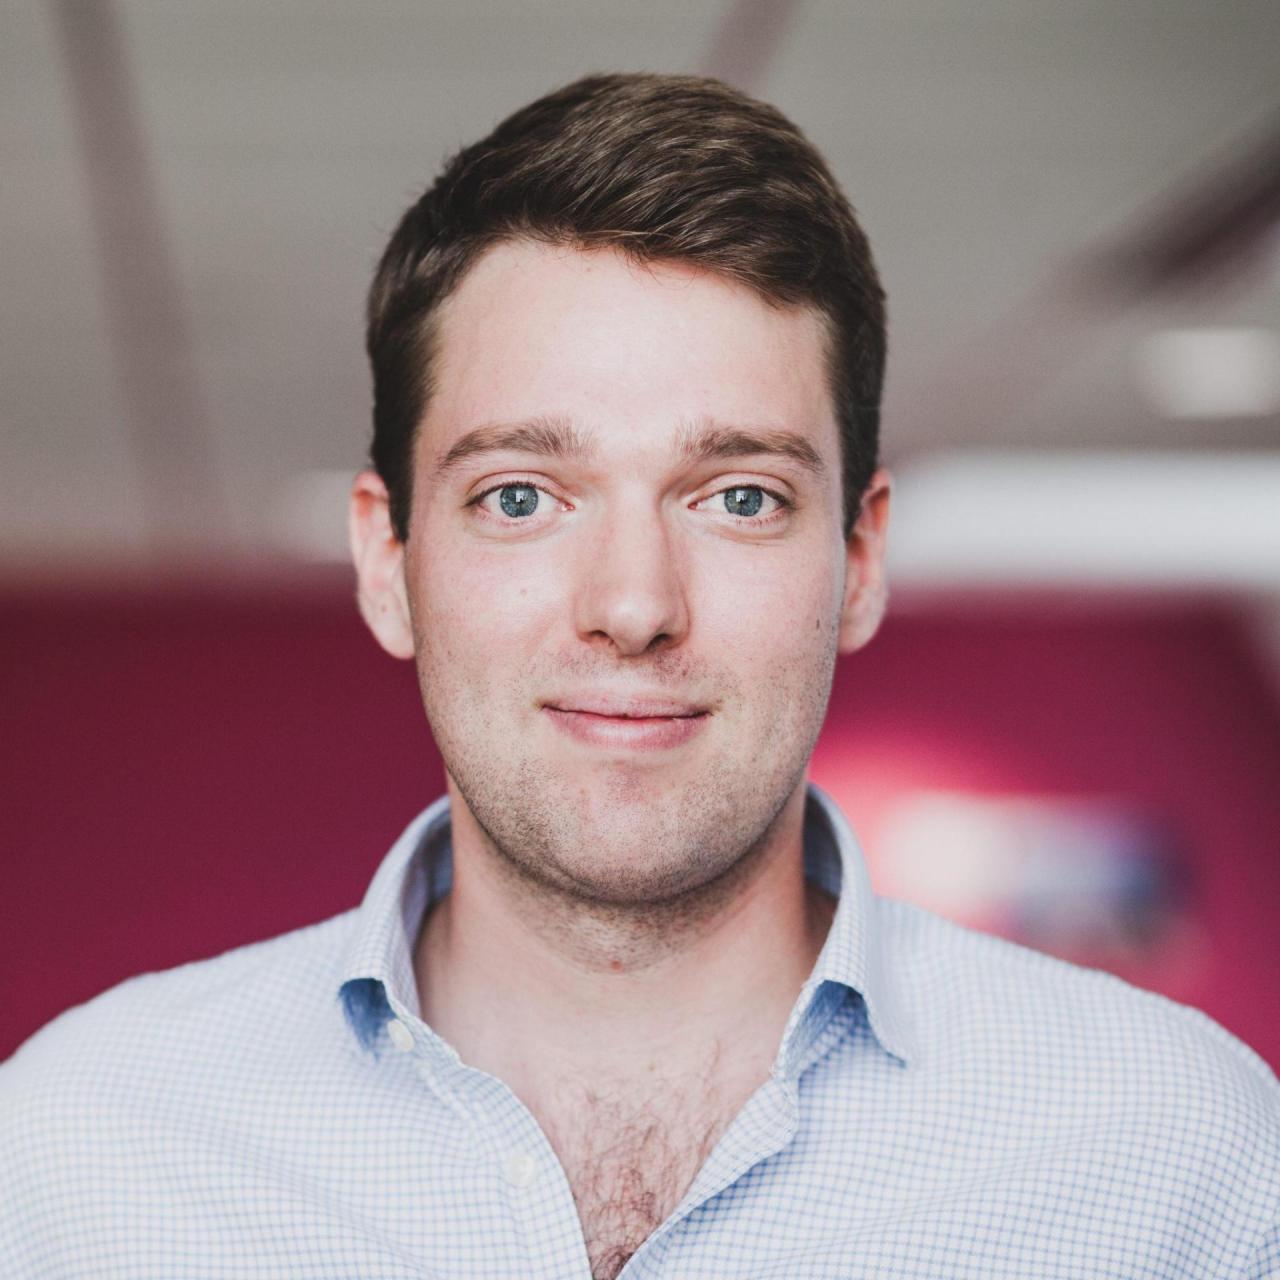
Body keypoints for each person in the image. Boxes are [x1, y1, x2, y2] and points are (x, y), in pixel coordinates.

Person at [2, 72, 1276, 1280]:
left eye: (737, 496)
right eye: (519, 495)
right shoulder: (81, 1159)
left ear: (858, 559)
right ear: (387, 562)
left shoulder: (1177, 1157)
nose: (632, 605)